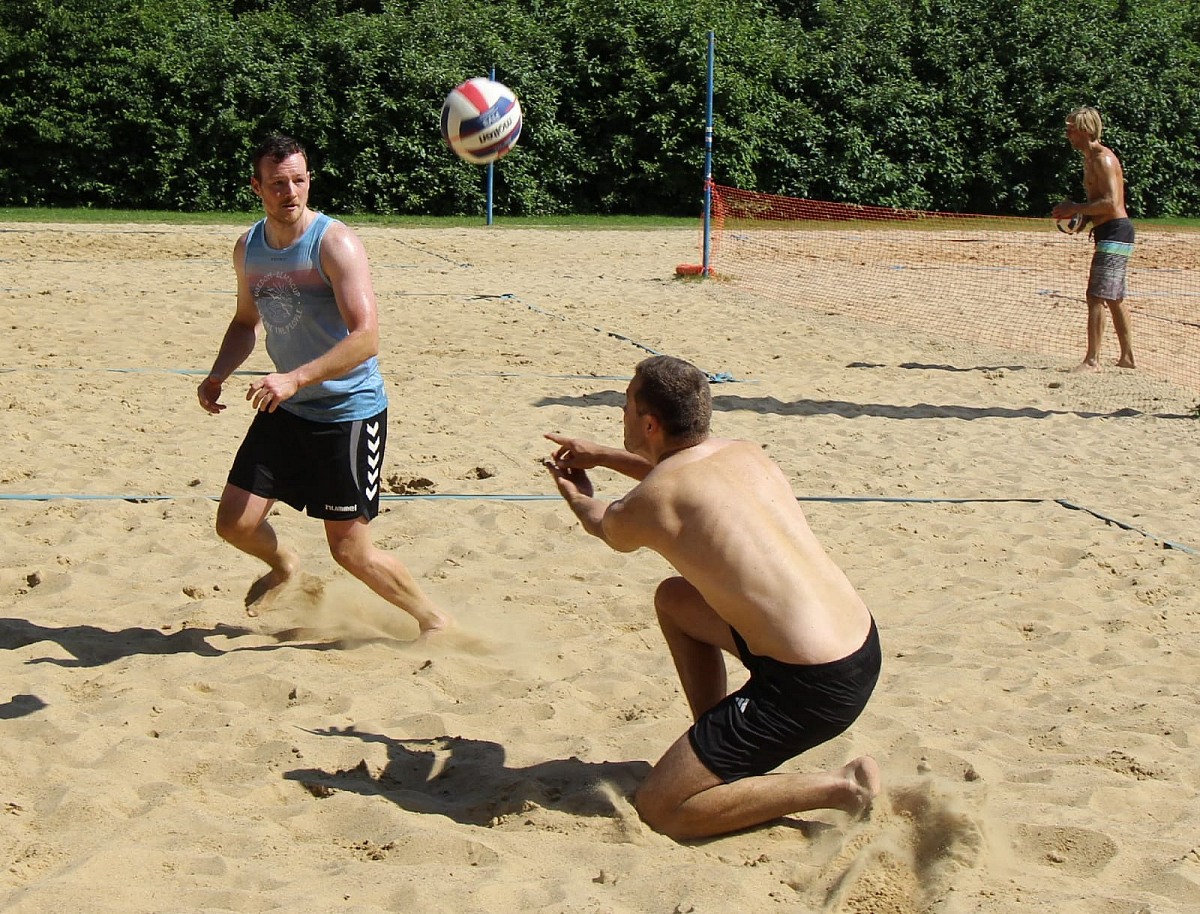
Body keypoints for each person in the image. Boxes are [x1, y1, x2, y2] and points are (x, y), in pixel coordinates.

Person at [544, 355, 881, 841]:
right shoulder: (744, 454)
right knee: (675, 600)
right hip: (859, 645)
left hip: (810, 688)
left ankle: (842, 787)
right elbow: (672, 475)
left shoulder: (654, 500)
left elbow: (607, 522)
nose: (621, 411)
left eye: (626, 403)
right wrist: (602, 455)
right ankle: (717, 746)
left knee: (663, 808)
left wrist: (576, 494)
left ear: (650, 423)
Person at [197, 134, 450, 636]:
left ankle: (434, 621)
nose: (290, 192)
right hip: (287, 407)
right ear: (256, 187)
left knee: (350, 551)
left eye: (298, 180)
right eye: (277, 183)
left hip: (348, 412)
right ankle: (284, 564)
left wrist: (295, 377)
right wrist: (218, 373)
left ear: (309, 180)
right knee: (234, 524)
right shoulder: (249, 248)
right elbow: (246, 321)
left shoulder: (335, 243)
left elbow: (366, 338)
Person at [1052, 106, 1136, 372]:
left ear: (1086, 130)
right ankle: (1127, 358)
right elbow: (1099, 203)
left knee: (1096, 295)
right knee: (1113, 297)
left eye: (1071, 130)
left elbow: (1111, 203)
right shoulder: (1088, 160)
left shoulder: (1103, 159)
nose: (1068, 135)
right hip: (1108, 230)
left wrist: (1075, 208)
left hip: (1116, 230)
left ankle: (1092, 360)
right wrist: (1081, 220)